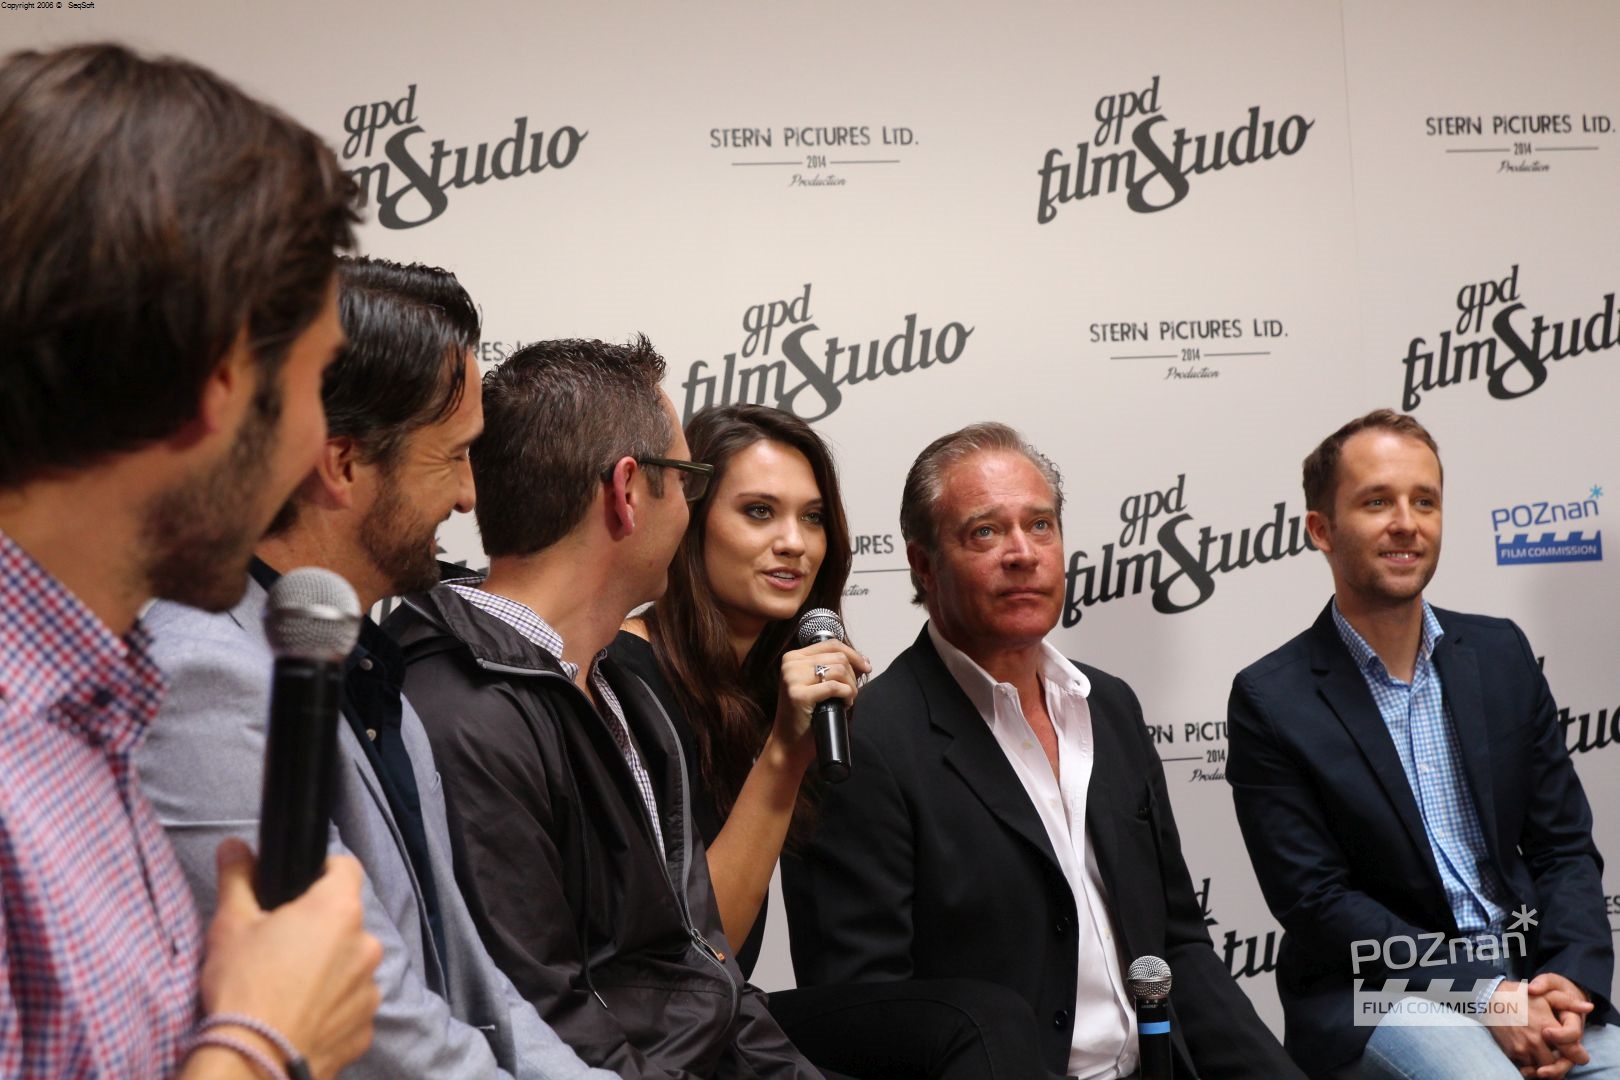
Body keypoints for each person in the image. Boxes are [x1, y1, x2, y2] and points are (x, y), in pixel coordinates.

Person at [0, 43, 380, 1079]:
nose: (319, 449)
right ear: (220, 380)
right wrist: (265, 1044)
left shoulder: (91, 708)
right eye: (316, 385)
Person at [137, 257, 614, 1080]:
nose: (468, 497)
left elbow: (470, 982)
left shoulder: (363, 658)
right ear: (343, 463)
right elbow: (377, 1025)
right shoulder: (205, 681)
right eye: (452, 457)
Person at [782, 421, 1303, 1080]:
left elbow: (1178, 943)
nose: (1022, 553)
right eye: (985, 532)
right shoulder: (866, 744)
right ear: (923, 564)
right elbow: (870, 1015)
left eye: (1041, 525)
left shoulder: (1109, 707)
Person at [388, 339, 830, 1078]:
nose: (689, 509)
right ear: (627, 493)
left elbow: (705, 973)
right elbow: (545, 1024)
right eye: (686, 481)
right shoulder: (464, 716)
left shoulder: (625, 694)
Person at [612, 403, 1065, 1080]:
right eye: (759, 512)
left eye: (813, 517)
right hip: (644, 1031)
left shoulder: (761, 687)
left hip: (723, 1016)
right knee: (979, 1019)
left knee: (980, 1017)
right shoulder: (625, 679)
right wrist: (784, 754)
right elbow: (687, 955)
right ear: (690, 519)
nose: (794, 542)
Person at [1226, 408, 1618, 1080]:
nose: (1407, 522)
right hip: (1376, 992)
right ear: (1321, 529)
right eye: (1377, 501)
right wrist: (1486, 994)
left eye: (1425, 501)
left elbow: (1563, 848)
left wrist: (1569, 983)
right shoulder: (1271, 699)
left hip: (1529, 977)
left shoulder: (1500, 653)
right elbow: (1318, 902)